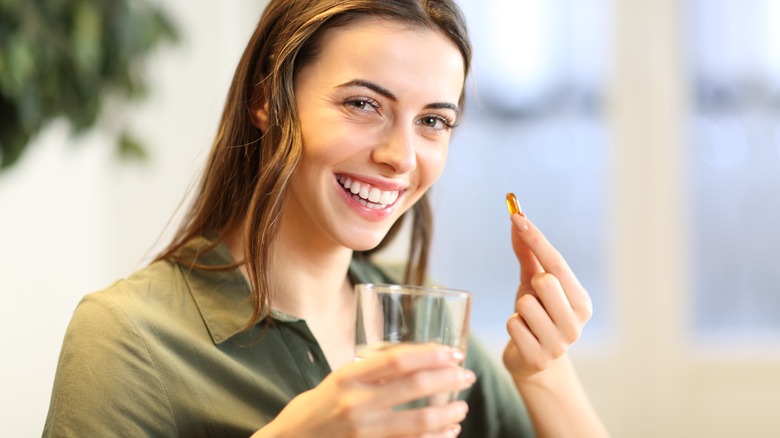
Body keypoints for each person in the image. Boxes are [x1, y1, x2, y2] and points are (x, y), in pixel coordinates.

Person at [44, 0, 609, 436]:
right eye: (363, 104)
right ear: (267, 99)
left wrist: (542, 372)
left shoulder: (419, 326)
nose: (401, 156)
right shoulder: (129, 339)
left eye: (433, 121)